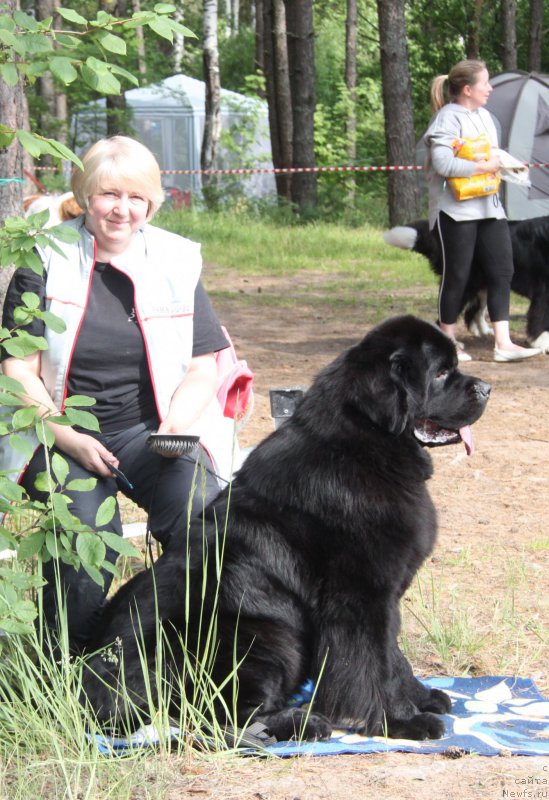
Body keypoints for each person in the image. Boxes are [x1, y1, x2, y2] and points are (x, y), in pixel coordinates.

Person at [0, 135, 239, 653]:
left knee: (208, 520)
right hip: (59, 434)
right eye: (109, 195)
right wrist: (68, 438)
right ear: (85, 194)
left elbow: (204, 366)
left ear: (152, 200)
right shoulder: (44, 256)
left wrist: (177, 424)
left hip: (148, 433)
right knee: (88, 531)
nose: (122, 210)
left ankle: (189, 657)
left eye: (136, 197)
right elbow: (17, 370)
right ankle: (64, 667)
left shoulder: (176, 259)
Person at [423, 59, 542, 363]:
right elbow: (444, 164)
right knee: (458, 276)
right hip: (456, 213)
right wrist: (484, 166)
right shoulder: (447, 120)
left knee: (502, 271)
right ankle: (446, 342)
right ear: (467, 89)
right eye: (485, 84)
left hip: (490, 209)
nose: (490, 88)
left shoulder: (486, 118)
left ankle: (503, 343)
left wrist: (510, 166)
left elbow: (493, 156)